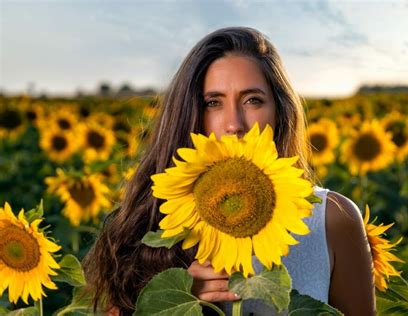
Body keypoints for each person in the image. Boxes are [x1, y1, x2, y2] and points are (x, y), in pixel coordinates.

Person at [83, 26, 375, 315]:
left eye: (252, 100)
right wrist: (184, 300)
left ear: (280, 111)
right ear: (190, 114)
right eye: (213, 103)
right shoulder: (156, 221)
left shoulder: (332, 219)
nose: (234, 123)